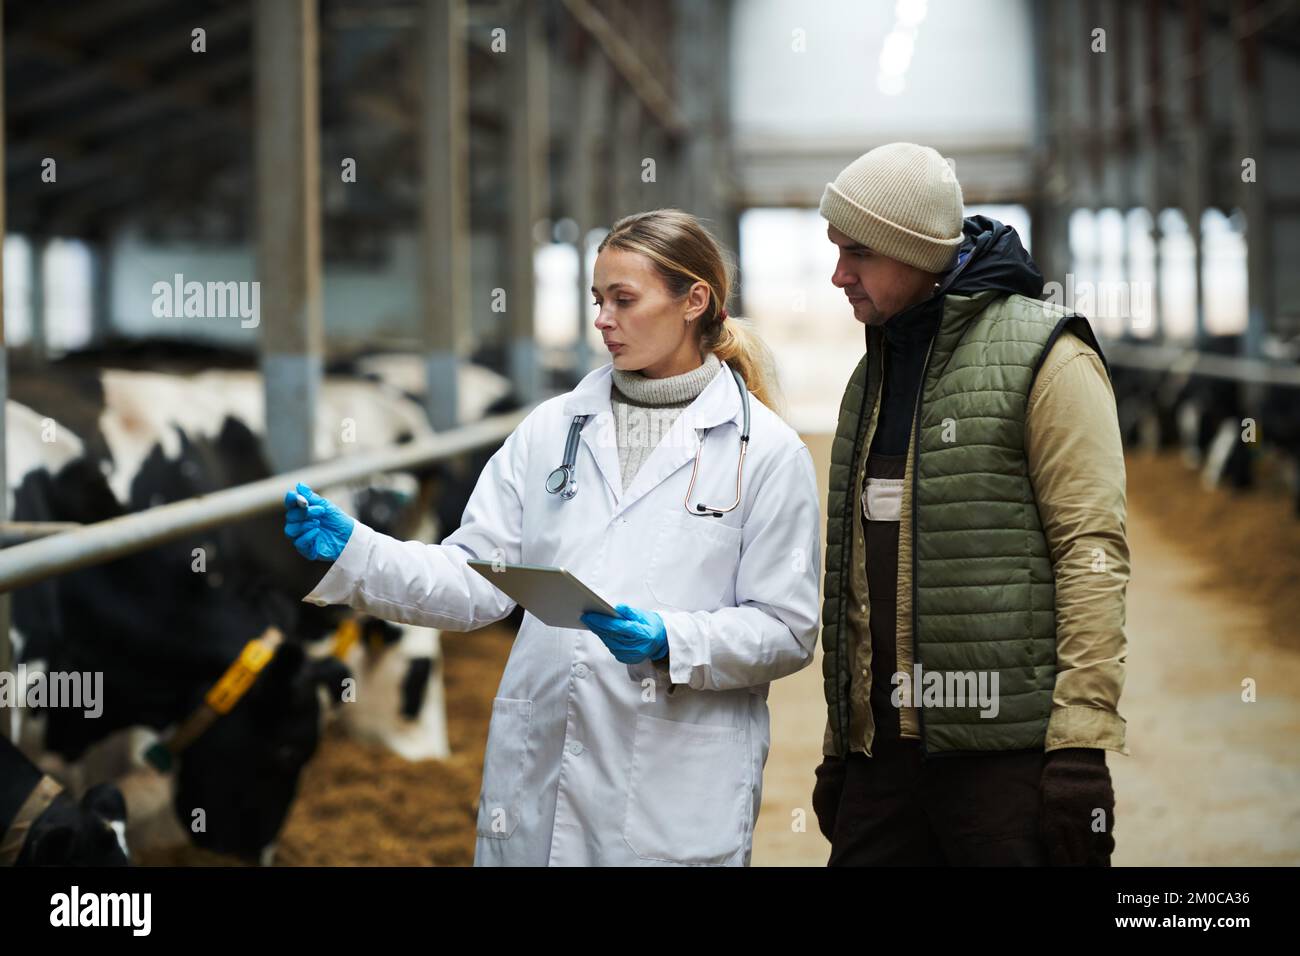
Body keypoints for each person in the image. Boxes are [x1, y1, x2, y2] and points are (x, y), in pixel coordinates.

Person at [284, 209, 822, 867]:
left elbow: (788, 630)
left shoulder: (764, 453)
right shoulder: (552, 429)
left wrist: (673, 640)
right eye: (598, 300)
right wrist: (361, 550)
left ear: (695, 301)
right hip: (538, 771)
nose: (602, 319)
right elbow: (475, 583)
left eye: (624, 299)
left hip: (672, 784)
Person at [811, 142, 1129, 866]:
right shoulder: (875, 374)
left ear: (913, 250)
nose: (837, 274)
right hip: (883, 763)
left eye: (856, 251)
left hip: (1004, 764)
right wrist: (842, 746)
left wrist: (1080, 749)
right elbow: (859, 579)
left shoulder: (1048, 353)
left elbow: (1092, 551)